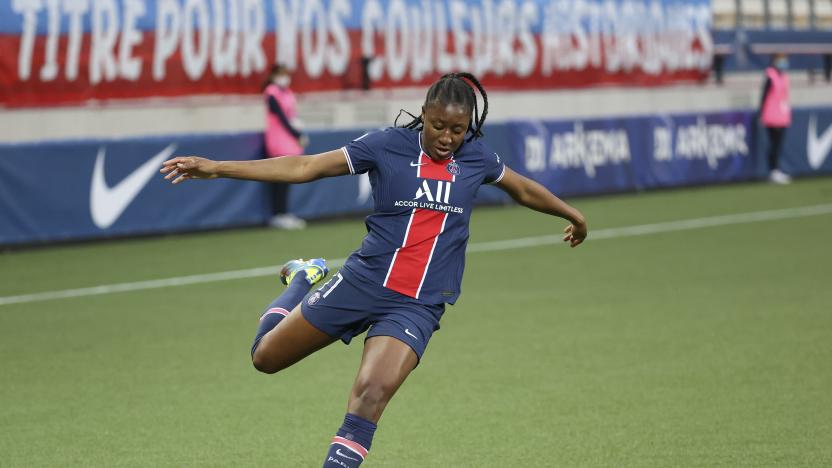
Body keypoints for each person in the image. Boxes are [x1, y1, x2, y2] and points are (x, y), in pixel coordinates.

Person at [160, 72, 588, 467]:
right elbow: (305, 166)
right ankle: (304, 278)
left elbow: (524, 189)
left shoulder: (477, 157)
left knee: (370, 394)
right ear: (424, 115)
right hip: (362, 281)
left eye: (458, 130)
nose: (447, 138)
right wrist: (218, 167)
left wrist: (574, 215)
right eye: (439, 126)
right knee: (265, 358)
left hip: (418, 303)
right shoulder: (386, 146)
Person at [263, 63, 308, 229]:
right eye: (281, 74)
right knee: (279, 175)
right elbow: (281, 117)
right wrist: (297, 134)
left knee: (288, 176)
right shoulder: (271, 92)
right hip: (278, 137)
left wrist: (298, 129)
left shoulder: (288, 92)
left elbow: (292, 114)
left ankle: (284, 212)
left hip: (289, 139)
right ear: (274, 75)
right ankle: (278, 214)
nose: (284, 78)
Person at [759, 53, 792, 184]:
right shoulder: (770, 75)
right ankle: (773, 171)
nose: (783, 63)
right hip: (772, 116)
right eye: (781, 60)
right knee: (774, 145)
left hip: (782, 115)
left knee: (778, 145)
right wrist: (762, 113)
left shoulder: (784, 76)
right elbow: (764, 96)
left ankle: (776, 170)